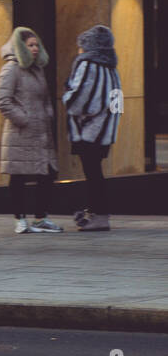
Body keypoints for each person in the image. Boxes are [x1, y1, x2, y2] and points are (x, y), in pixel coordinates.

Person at [0, 26, 62, 233]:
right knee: (19, 176)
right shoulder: (11, 68)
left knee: (47, 174)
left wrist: (48, 113)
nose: (35, 48)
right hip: (20, 133)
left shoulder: (37, 69)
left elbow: (45, 98)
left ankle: (41, 218)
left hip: (41, 134)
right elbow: (2, 101)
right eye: (30, 45)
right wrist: (24, 119)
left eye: (36, 45)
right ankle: (20, 220)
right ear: (20, 47)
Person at [62, 24, 121, 232]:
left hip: (89, 130)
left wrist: (67, 95)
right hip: (104, 130)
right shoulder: (111, 68)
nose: (79, 50)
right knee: (96, 173)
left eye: (81, 46)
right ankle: (98, 213)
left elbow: (80, 98)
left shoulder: (88, 64)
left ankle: (98, 214)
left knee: (93, 173)